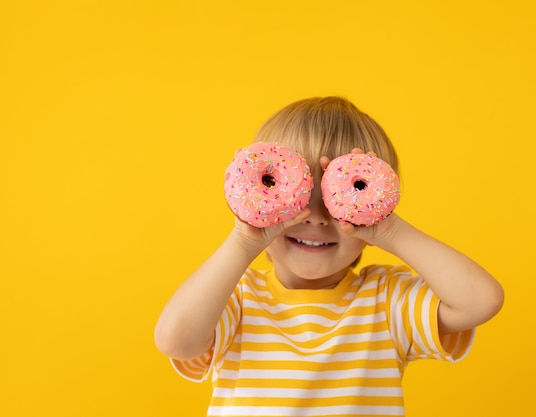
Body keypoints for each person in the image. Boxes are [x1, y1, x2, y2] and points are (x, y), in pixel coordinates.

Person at [154, 96, 504, 417]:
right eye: (299, 196)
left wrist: (390, 230)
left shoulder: (385, 301)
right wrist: (245, 239)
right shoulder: (237, 299)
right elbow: (176, 342)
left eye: (337, 199)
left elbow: (481, 301)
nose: (316, 217)